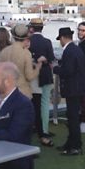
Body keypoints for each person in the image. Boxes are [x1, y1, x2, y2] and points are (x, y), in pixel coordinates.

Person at [53, 27, 85, 155]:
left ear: (62, 38)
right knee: (72, 117)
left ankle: (76, 146)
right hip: (78, 88)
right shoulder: (76, 49)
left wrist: (55, 69)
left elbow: (68, 71)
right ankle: (71, 143)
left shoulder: (69, 51)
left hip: (73, 89)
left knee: (72, 118)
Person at [0, 24, 45, 99]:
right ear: (27, 38)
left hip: (6, 92)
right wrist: (38, 67)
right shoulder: (26, 53)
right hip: (22, 93)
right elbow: (29, 76)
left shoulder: (4, 51)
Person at [28, 18, 55, 146]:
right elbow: (51, 59)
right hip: (46, 75)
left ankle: (35, 128)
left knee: (34, 104)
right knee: (44, 103)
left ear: (31, 28)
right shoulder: (47, 42)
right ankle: (44, 130)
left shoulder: (28, 42)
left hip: (33, 76)